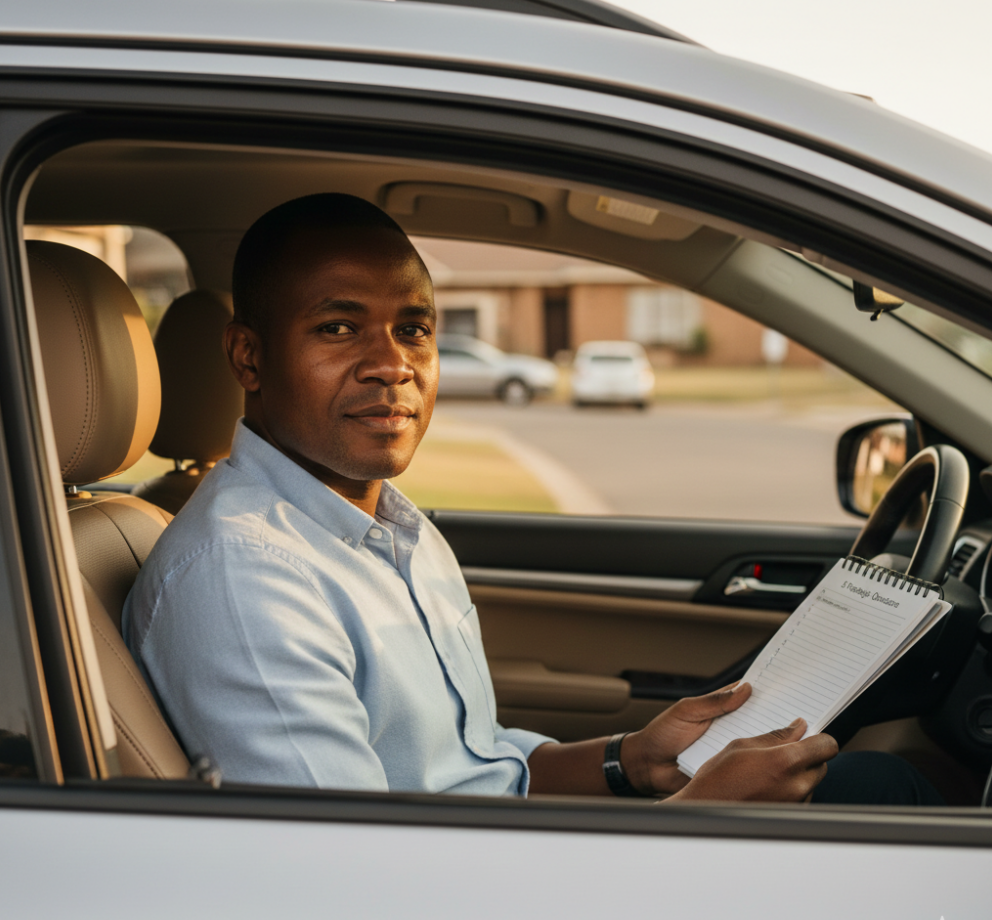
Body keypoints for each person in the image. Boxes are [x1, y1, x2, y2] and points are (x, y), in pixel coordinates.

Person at [123, 193, 941, 804]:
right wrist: (706, 815)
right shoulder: (244, 579)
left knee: (872, 785)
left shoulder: (387, 525)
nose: (392, 364)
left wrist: (635, 759)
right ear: (248, 357)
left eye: (413, 328)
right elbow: (364, 886)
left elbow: (479, 773)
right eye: (339, 329)